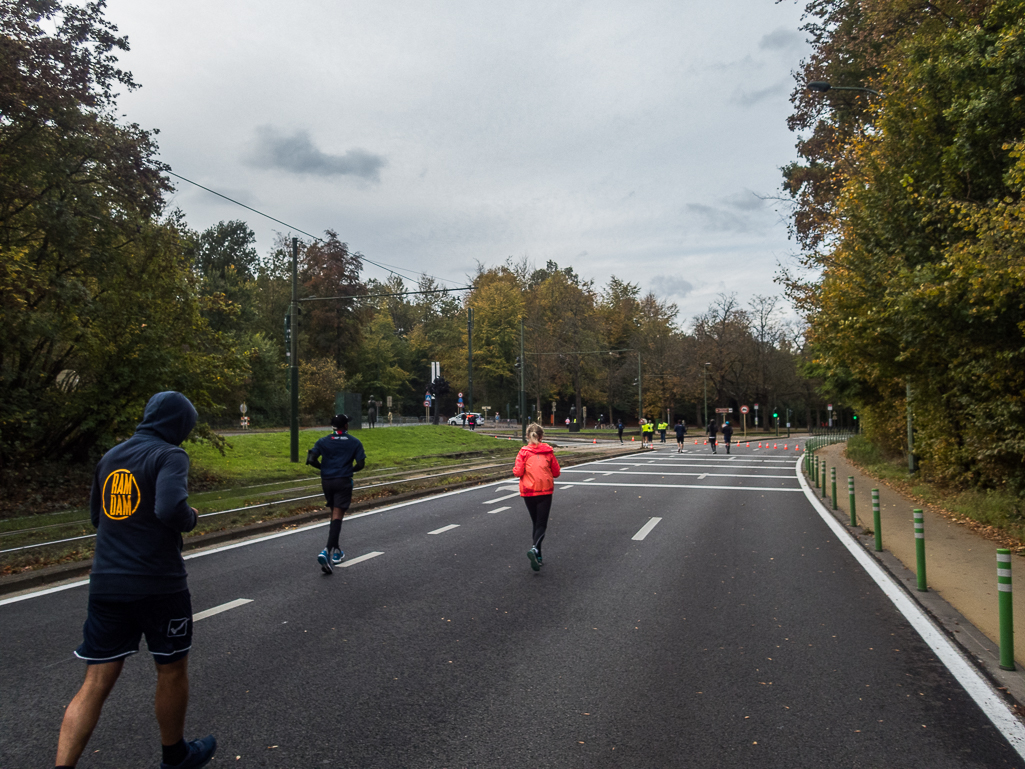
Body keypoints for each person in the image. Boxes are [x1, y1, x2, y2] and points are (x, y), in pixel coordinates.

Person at [56, 391, 216, 769]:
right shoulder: (170, 455)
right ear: (178, 425)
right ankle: (175, 756)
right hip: (158, 583)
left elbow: (99, 518)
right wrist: (190, 518)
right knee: (171, 668)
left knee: (95, 682)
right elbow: (169, 507)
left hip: (107, 582)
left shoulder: (110, 457)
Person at [307, 413, 366, 574]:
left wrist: (324, 469)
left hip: (327, 481)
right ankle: (326, 551)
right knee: (338, 515)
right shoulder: (354, 442)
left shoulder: (323, 441)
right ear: (345, 426)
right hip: (343, 481)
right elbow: (361, 464)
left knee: (334, 514)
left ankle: (337, 551)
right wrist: (348, 470)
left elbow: (311, 459)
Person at [512, 423, 561, 571]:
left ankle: (538, 556)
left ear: (527, 436)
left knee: (535, 523)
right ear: (541, 436)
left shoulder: (523, 452)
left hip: (528, 491)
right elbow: (557, 472)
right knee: (541, 525)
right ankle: (535, 550)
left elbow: (518, 472)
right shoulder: (548, 452)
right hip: (545, 491)